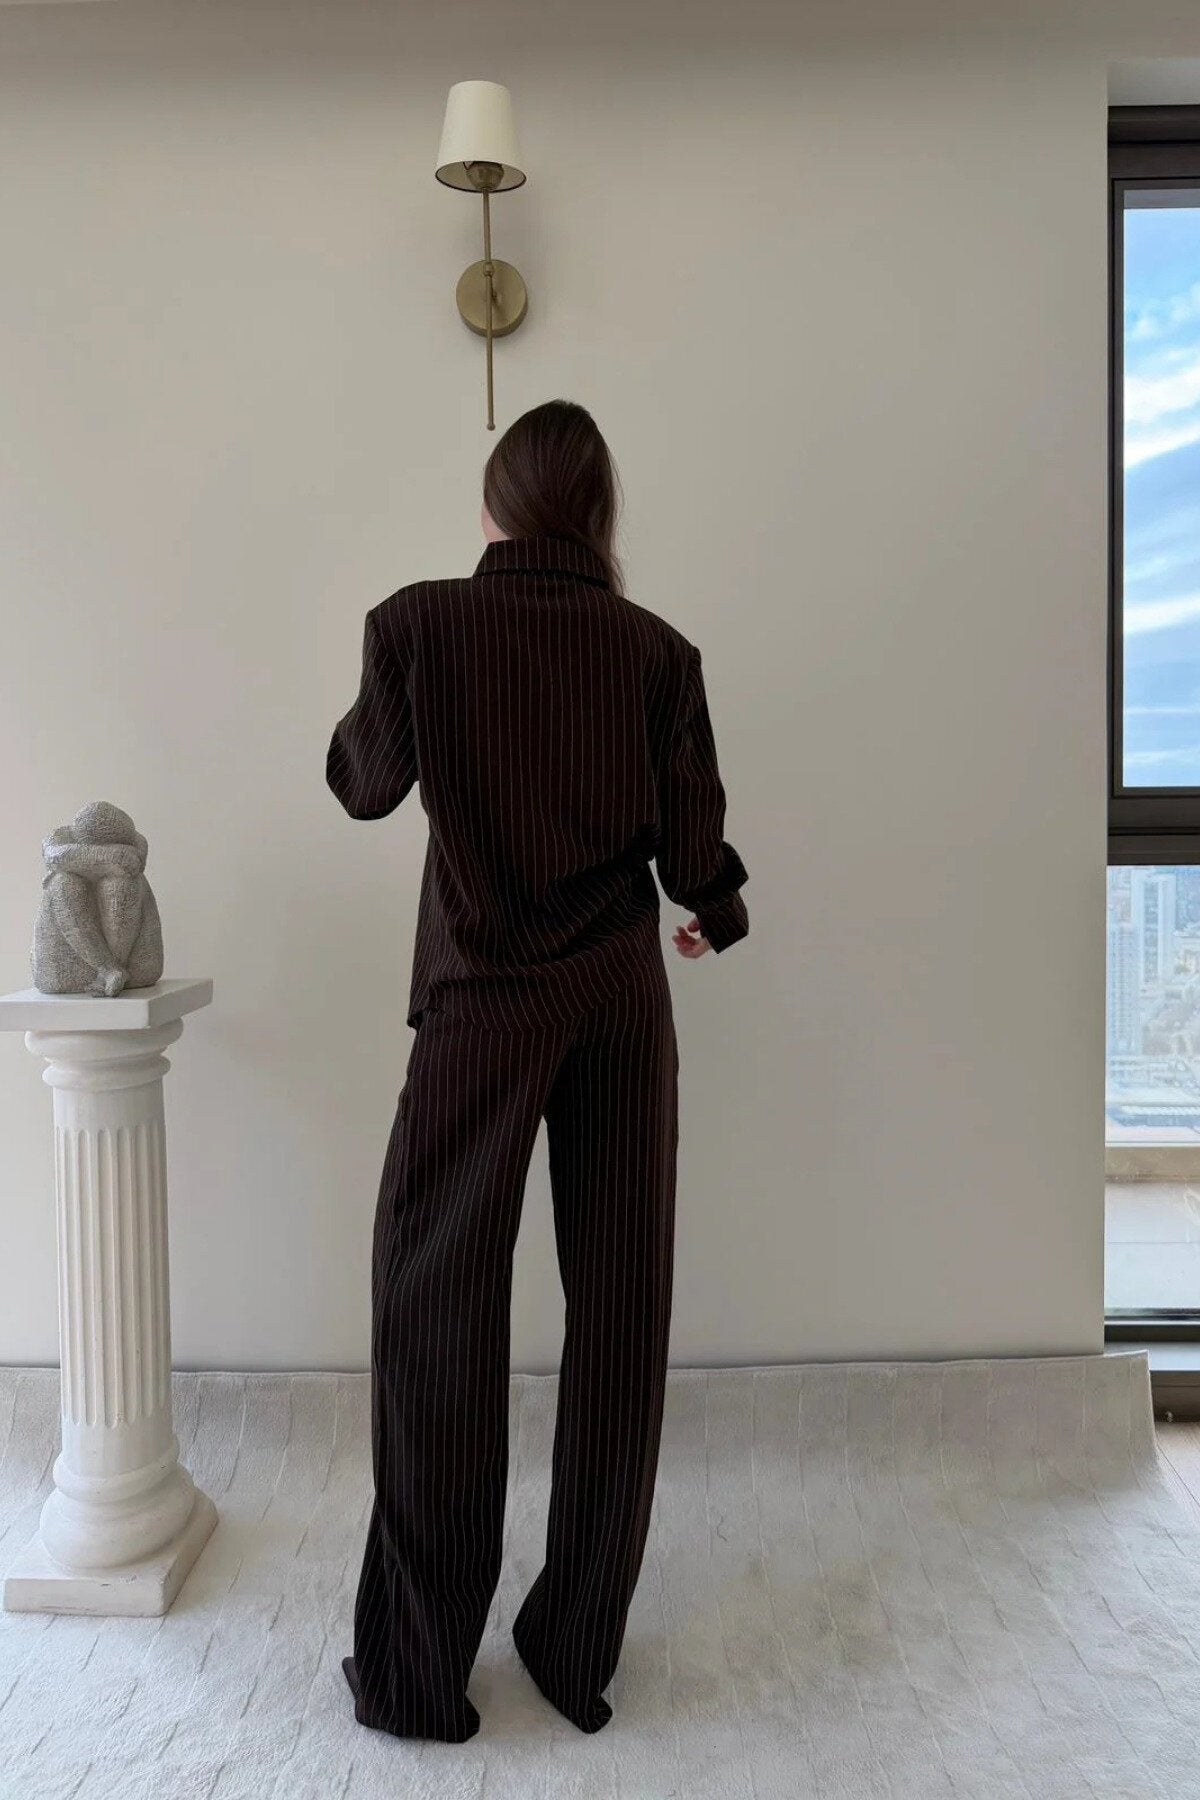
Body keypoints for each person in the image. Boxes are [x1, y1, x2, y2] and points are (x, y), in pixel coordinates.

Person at [326, 398, 749, 1743]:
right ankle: (574, 1650)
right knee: (620, 1307)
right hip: (617, 995)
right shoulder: (657, 651)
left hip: (480, 1003)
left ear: (494, 507)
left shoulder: (416, 624)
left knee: (434, 1307)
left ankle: (416, 1673)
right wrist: (716, 909)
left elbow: (362, 784)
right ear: (602, 516)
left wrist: (398, 699)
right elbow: (694, 845)